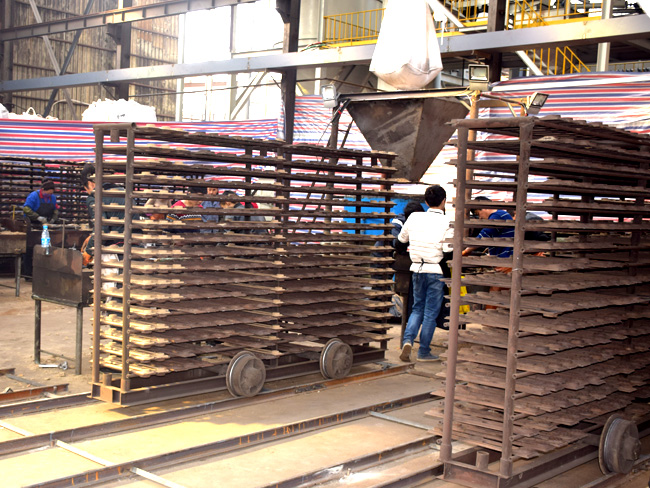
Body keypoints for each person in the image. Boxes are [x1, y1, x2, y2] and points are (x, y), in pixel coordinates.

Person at [397, 185, 453, 362]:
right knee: (430, 313)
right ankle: (424, 351)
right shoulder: (448, 221)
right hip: (435, 271)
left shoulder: (414, 217)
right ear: (444, 201)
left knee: (417, 308)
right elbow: (448, 250)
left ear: (426, 202)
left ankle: (407, 341)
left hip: (416, 269)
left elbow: (401, 240)